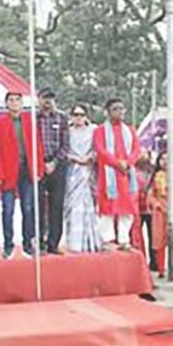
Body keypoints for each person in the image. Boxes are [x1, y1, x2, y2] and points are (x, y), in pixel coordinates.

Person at [0, 92, 46, 258]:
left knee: (28, 208)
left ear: (22, 103)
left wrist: (39, 169)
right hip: (8, 171)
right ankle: (8, 245)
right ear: (6, 103)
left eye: (17, 100)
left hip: (27, 170)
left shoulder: (30, 121)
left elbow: (38, 146)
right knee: (8, 209)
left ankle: (27, 243)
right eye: (11, 100)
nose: (14, 103)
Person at [93, 98, 142, 251]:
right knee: (107, 206)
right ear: (107, 112)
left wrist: (128, 163)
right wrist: (117, 163)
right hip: (109, 174)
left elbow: (137, 150)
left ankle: (123, 240)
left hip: (126, 174)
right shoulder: (100, 130)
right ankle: (107, 239)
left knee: (127, 207)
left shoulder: (130, 130)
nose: (120, 112)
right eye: (115, 109)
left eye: (122, 108)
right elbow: (100, 150)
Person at [64, 104, 102, 253]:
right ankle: (74, 243)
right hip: (72, 172)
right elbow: (63, 149)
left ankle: (89, 242)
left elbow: (99, 149)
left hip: (88, 171)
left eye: (81, 115)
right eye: (75, 114)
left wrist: (89, 158)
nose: (78, 118)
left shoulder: (94, 130)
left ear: (86, 116)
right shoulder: (67, 131)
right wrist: (74, 158)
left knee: (88, 205)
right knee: (72, 207)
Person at [37, 88, 70, 254]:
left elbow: (66, 145)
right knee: (38, 206)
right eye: (44, 98)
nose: (47, 102)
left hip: (58, 166)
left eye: (50, 98)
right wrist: (42, 163)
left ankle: (53, 243)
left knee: (56, 205)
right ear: (38, 100)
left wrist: (54, 162)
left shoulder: (62, 118)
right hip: (38, 165)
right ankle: (40, 242)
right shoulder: (33, 118)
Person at [149, 152, 173, 278]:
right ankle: (161, 270)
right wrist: (157, 205)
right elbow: (150, 195)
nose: (165, 162)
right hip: (160, 212)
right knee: (160, 241)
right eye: (162, 159)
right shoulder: (155, 177)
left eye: (168, 159)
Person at [134, 150, 156, 269]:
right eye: (140, 153)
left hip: (151, 207)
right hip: (136, 206)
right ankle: (140, 259)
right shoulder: (132, 169)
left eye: (145, 153)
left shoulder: (153, 170)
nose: (142, 156)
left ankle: (155, 261)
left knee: (153, 235)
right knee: (137, 235)